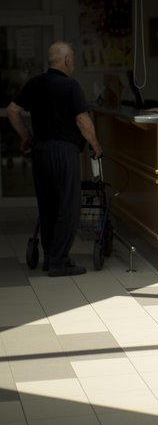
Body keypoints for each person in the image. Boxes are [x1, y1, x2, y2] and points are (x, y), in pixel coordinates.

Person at [7, 41, 103, 277]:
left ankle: (51, 257)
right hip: (64, 152)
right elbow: (83, 122)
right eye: (73, 61)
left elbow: (12, 110)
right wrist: (96, 145)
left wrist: (26, 137)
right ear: (67, 61)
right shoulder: (70, 86)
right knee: (67, 207)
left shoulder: (35, 83)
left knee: (47, 205)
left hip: (41, 151)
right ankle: (59, 261)